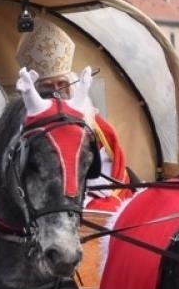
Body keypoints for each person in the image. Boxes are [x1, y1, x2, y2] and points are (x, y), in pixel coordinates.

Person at [15, 17, 132, 213]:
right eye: (47, 86)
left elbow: (112, 175)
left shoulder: (96, 126)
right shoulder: (23, 129)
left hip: (93, 200)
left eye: (61, 84)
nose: (56, 92)